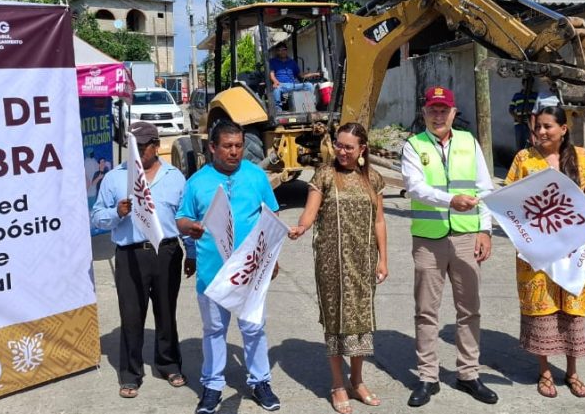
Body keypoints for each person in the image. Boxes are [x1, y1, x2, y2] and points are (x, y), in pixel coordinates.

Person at [401, 86, 498, 407]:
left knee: (469, 309)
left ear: (454, 113)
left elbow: (485, 188)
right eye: (432, 109)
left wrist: (485, 230)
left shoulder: (469, 143)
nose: (438, 115)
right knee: (426, 311)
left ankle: (468, 373)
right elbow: (415, 187)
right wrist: (449, 200)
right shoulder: (413, 146)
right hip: (429, 239)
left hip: (467, 236)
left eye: (444, 110)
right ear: (424, 112)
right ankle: (428, 376)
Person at [176, 121, 282, 414]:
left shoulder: (256, 176)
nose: (235, 152)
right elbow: (181, 219)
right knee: (214, 331)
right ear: (212, 148)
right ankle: (212, 386)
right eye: (228, 146)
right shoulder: (197, 182)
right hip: (213, 275)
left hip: (250, 271)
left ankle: (260, 381)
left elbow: (271, 216)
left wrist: (272, 258)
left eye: (238, 145)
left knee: (253, 329)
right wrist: (191, 227)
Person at [288, 123, 389, 413]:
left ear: (362, 150)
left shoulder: (374, 178)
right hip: (331, 263)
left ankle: (357, 381)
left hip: (364, 261)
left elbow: (379, 221)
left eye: (348, 147)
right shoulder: (324, 175)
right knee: (336, 323)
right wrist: (301, 228)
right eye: (339, 145)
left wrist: (384, 259)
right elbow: (310, 212)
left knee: (360, 321)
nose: (342, 151)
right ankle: (337, 384)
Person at [506, 105, 585, 399]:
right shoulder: (524, 159)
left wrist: (579, 219)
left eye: (548, 126)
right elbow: (509, 197)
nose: (542, 131)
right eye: (538, 126)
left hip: (574, 250)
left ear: (564, 129)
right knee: (543, 309)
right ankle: (544, 371)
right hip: (537, 253)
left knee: (572, 309)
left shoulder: (583, 158)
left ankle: (572, 372)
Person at [90, 122, 192, 399]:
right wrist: (116, 213)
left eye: (141, 148)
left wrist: (191, 253)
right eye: (131, 148)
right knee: (132, 317)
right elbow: (96, 217)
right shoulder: (114, 178)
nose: (134, 155)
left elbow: (185, 217)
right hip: (130, 255)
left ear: (155, 146)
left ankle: (168, 364)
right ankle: (131, 374)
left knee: (166, 312)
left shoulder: (174, 177)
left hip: (167, 252)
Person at [268, 43, 319, 111]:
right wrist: (275, 82)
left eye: (284, 50)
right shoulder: (273, 61)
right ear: (277, 52)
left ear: (286, 50)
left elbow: (301, 75)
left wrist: (315, 74)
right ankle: (278, 109)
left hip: (293, 85)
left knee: (309, 85)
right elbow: (272, 75)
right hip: (281, 85)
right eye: (279, 50)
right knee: (276, 89)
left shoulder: (292, 62)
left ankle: (312, 104)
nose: (282, 52)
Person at [508, 78, 539, 153]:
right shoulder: (517, 96)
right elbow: (510, 110)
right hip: (519, 124)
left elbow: (538, 109)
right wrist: (518, 118)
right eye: (527, 84)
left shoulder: (535, 95)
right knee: (520, 145)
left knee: (531, 144)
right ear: (523, 84)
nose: (529, 86)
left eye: (531, 84)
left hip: (531, 124)